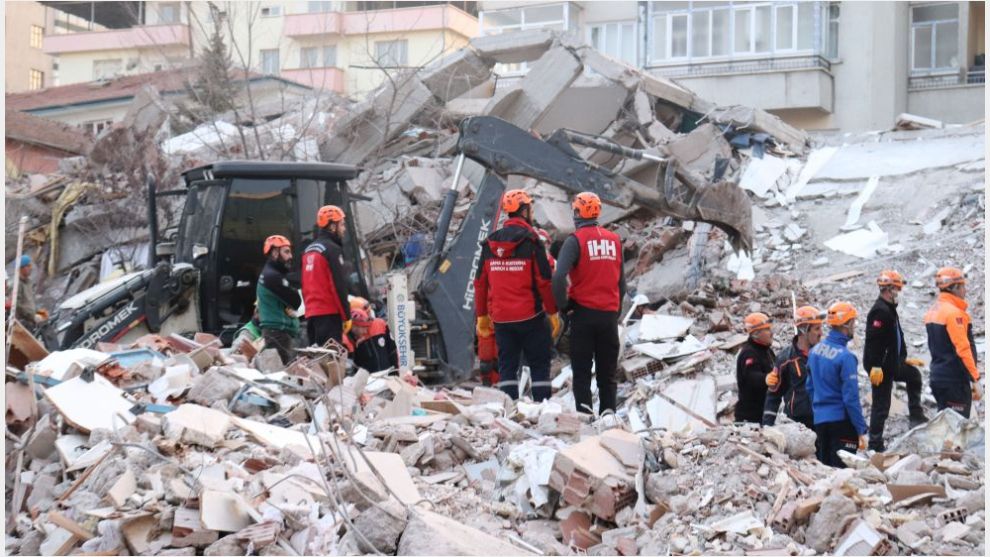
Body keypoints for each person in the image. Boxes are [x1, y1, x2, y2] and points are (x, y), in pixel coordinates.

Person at [474, 189, 559, 401]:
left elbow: (480, 284)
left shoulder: (490, 243)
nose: (531, 211)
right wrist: (552, 312)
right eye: (529, 207)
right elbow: (544, 281)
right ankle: (542, 407)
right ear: (523, 211)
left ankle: (509, 411)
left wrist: (482, 316)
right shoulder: (532, 241)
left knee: (507, 368)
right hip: (531, 316)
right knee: (539, 364)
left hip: (502, 319)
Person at [552, 192, 624, 415]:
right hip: (608, 316)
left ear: (576, 213)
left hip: (583, 314)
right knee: (607, 375)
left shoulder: (575, 241)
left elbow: (557, 276)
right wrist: (615, 311)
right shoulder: (614, 240)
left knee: (582, 373)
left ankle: (585, 419)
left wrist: (563, 306)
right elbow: (622, 284)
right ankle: (608, 418)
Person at [863, 270, 927, 452]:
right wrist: (875, 367)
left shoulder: (889, 309)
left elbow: (895, 337)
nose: (898, 293)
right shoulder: (879, 311)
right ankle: (875, 444)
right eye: (896, 290)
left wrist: (903, 358)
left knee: (914, 376)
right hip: (881, 367)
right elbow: (874, 343)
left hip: (891, 363)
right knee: (881, 404)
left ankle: (916, 415)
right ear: (888, 289)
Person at [807, 302, 868, 468]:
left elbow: (810, 387)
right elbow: (851, 398)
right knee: (841, 475)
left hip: (820, 422)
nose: (854, 327)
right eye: (853, 323)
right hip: (841, 423)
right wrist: (861, 429)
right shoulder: (846, 357)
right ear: (846, 325)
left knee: (824, 471)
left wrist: (819, 410)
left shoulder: (814, 351)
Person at [924, 267, 981, 418]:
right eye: (962, 286)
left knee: (946, 426)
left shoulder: (933, 311)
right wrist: (975, 379)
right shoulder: (954, 314)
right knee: (957, 429)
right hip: (954, 381)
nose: (965, 290)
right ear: (954, 287)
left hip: (938, 378)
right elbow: (963, 348)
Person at [763, 306, 823, 430]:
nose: (821, 333)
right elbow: (773, 395)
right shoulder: (785, 359)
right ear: (804, 330)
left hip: (824, 422)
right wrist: (767, 427)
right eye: (817, 329)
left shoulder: (826, 355)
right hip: (797, 426)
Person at [302, 205, 352, 346]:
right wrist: (346, 315)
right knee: (330, 362)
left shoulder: (308, 251)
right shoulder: (332, 250)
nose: (344, 229)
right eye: (341, 224)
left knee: (315, 363)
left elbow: (306, 286)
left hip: (311, 316)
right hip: (329, 316)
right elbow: (338, 286)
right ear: (332, 226)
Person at [256, 235, 301, 365]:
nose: (290, 256)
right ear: (275, 253)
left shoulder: (271, 274)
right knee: (281, 374)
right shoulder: (273, 276)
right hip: (278, 334)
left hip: (276, 333)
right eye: (286, 252)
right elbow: (296, 301)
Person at [735, 312, 776, 424]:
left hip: (765, 411)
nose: (771, 333)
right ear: (756, 333)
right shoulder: (749, 353)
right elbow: (751, 376)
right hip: (750, 417)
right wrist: (766, 379)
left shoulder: (767, 351)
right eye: (767, 329)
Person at [349, 307, 399, 372]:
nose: (365, 331)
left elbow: (392, 350)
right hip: (370, 379)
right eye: (363, 327)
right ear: (354, 326)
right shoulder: (351, 339)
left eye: (366, 327)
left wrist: (395, 371)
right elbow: (355, 365)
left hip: (388, 374)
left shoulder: (380, 325)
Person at [12, 255, 46, 327]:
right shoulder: (16, 285)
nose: (31, 268)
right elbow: (17, 305)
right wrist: (32, 316)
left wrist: (39, 313)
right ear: (22, 268)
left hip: (32, 317)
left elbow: (31, 301)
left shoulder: (28, 282)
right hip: (24, 321)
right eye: (29, 266)